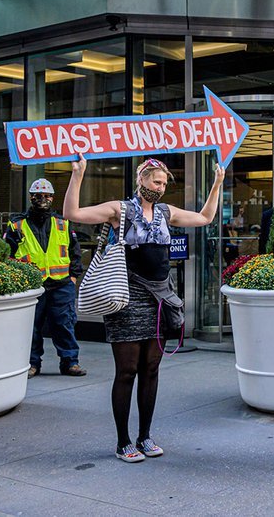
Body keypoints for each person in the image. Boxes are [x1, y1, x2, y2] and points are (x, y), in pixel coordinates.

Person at [64, 155, 224, 463]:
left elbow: (204, 217)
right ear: (142, 179)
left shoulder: (165, 212)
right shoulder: (120, 210)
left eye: (164, 183)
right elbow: (72, 213)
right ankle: (123, 441)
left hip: (160, 299)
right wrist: (78, 173)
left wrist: (217, 182)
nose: (161, 188)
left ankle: (145, 436)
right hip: (127, 297)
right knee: (127, 371)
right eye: (156, 182)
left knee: (151, 369)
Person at [4, 178, 85, 378]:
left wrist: (73, 278)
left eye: (47, 195)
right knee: (31, 328)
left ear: (52, 197)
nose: (43, 199)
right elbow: (8, 254)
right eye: (38, 196)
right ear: (31, 197)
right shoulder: (17, 224)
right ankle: (32, 364)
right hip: (32, 286)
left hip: (61, 284)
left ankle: (70, 362)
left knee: (64, 324)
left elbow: (75, 253)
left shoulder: (63, 223)